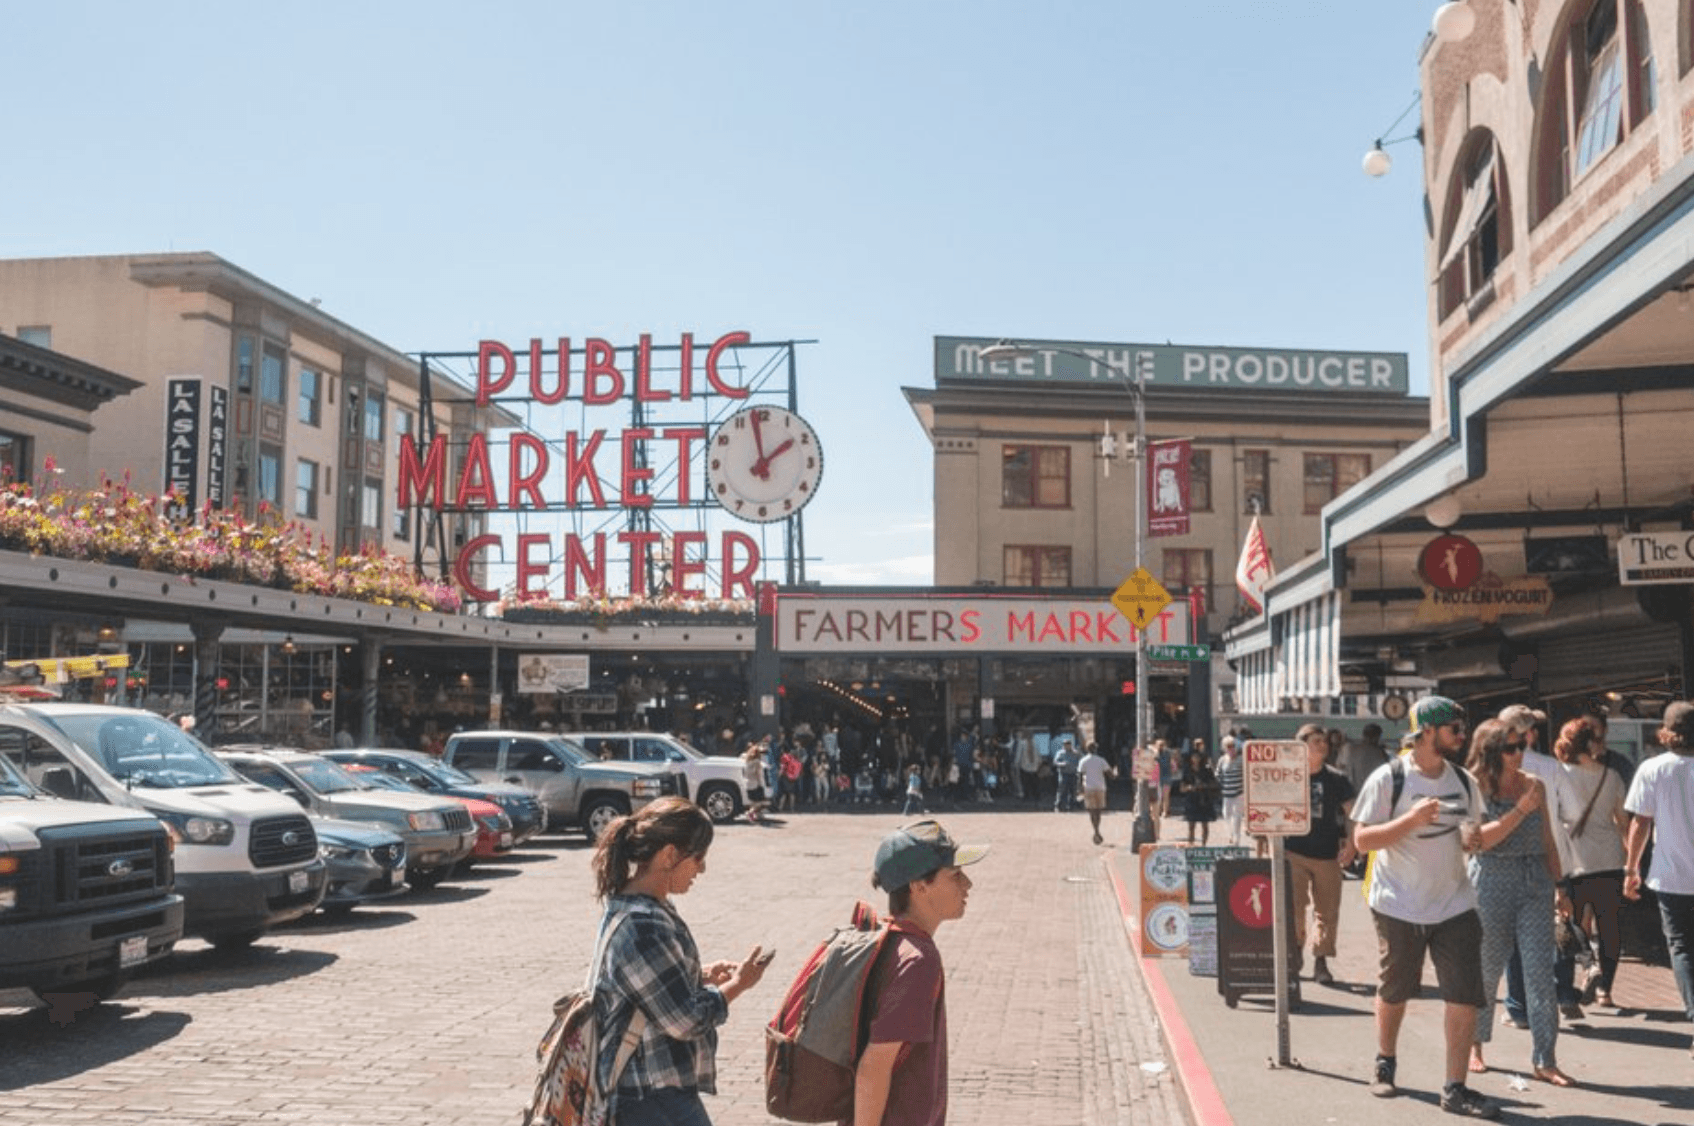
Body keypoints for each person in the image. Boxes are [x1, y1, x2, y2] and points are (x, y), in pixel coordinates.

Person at [1351, 695, 1499, 1119]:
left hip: (1455, 902)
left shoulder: (1463, 780)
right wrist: (1411, 821)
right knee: (1396, 988)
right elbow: (1362, 841)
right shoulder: (1389, 778)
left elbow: (1472, 833)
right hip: (1399, 902)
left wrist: (1474, 839)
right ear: (1428, 732)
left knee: (1464, 995)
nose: (1462, 734)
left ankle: (1455, 1087)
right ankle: (1385, 1061)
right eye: (1455, 727)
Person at [590, 797, 769, 1126]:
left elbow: (643, 987)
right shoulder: (642, 925)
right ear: (670, 854)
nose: (702, 869)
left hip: (654, 1091)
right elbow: (684, 1021)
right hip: (649, 1096)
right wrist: (737, 986)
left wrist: (698, 976)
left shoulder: (641, 907)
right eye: (698, 857)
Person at [855, 820, 988, 1126]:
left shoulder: (890, 940)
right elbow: (873, 1068)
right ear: (918, 886)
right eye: (955, 875)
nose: (967, 884)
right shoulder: (917, 961)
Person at [1464, 719, 1573, 1086]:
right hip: (1493, 876)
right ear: (1491, 751)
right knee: (1487, 966)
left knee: (1540, 972)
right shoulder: (1475, 786)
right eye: (1510, 748)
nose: (1518, 754)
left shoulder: (1534, 784)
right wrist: (1521, 810)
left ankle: (1545, 1058)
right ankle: (1474, 1045)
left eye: (1520, 746)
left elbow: (1547, 839)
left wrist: (1560, 886)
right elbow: (1478, 841)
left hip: (1535, 880)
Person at [1623, 700, 1694, 1060]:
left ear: (1667, 732)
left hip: (1672, 877)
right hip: (1672, 877)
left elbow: (1640, 823)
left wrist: (1631, 868)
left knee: (1682, 949)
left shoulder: (1653, 769)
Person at [1285, 723, 1356, 986]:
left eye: (1324, 741)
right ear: (1301, 744)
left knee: (1327, 911)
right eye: (1316, 741)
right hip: (1294, 851)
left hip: (1327, 854)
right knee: (1294, 908)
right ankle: (1294, 956)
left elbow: (1352, 812)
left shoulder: (1336, 778)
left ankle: (1321, 961)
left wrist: (1352, 842)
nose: (1322, 745)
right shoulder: (1288, 775)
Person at [1077, 741, 1115, 845]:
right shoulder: (1101, 760)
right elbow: (1110, 774)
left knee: (1091, 810)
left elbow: (1079, 775)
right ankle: (1097, 830)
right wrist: (1115, 773)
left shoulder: (1083, 761)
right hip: (1100, 787)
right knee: (1098, 811)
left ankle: (1095, 830)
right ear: (1096, 749)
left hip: (1088, 787)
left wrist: (1080, 788)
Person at [1179, 747, 1218, 846]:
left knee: (1205, 824)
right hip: (1191, 799)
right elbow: (1182, 787)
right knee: (1191, 825)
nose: (1196, 759)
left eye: (1197, 757)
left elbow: (1214, 784)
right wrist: (1189, 787)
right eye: (1194, 757)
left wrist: (1204, 786)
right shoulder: (1187, 770)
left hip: (1203, 799)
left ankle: (1204, 845)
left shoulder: (1206, 769)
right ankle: (1191, 844)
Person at [1215, 736, 1244, 846]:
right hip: (1227, 792)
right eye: (1228, 747)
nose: (1231, 749)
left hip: (1239, 792)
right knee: (1226, 814)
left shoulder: (1241, 759)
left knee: (1237, 816)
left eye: (1232, 746)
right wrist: (1219, 783)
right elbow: (1218, 774)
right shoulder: (1222, 760)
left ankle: (1236, 838)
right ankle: (1230, 835)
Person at [741, 743, 768, 824]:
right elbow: (759, 775)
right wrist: (762, 785)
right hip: (756, 784)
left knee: (752, 802)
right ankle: (750, 814)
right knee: (758, 803)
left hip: (747, 783)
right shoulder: (757, 763)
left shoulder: (746, 761)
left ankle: (754, 816)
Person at [1052, 737, 1079, 813]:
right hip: (1063, 774)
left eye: (1068, 744)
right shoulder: (1060, 753)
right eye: (1065, 744)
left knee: (1072, 790)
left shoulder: (1075, 753)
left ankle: (1071, 806)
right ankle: (1058, 805)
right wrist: (1062, 764)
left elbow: (1079, 761)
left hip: (1073, 773)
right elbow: (1055, 762)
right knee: (1062, 790)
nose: (1067, 746)